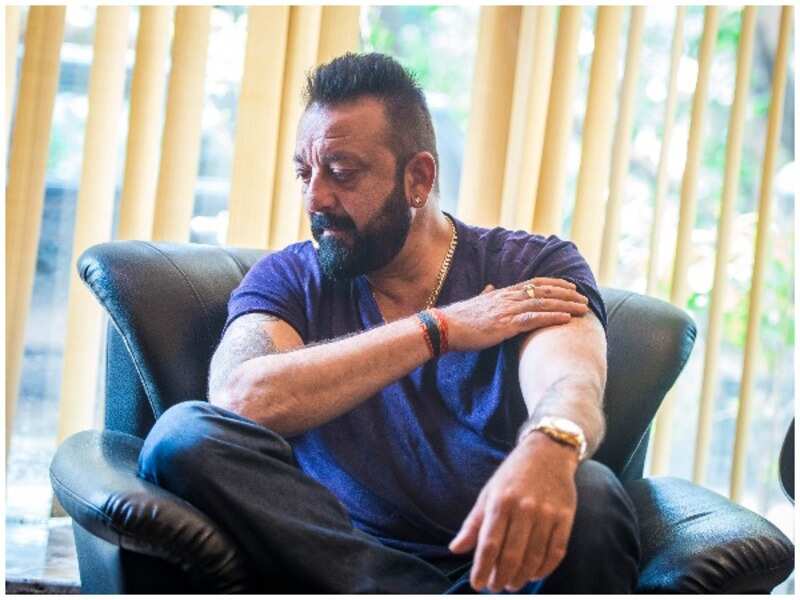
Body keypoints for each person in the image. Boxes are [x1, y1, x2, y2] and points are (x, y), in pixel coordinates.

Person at [138, 52, 640, 593]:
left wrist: (550, 444)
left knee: (592, 492)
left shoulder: (531, 267)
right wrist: (437, 329)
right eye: (305, 174)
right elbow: (241, 397)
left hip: (499, 571)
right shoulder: (290, 277)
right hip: (342, 563)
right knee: (182, 436)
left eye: (342, 172)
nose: (315, 197)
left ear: (418, 177)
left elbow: (571, 383)